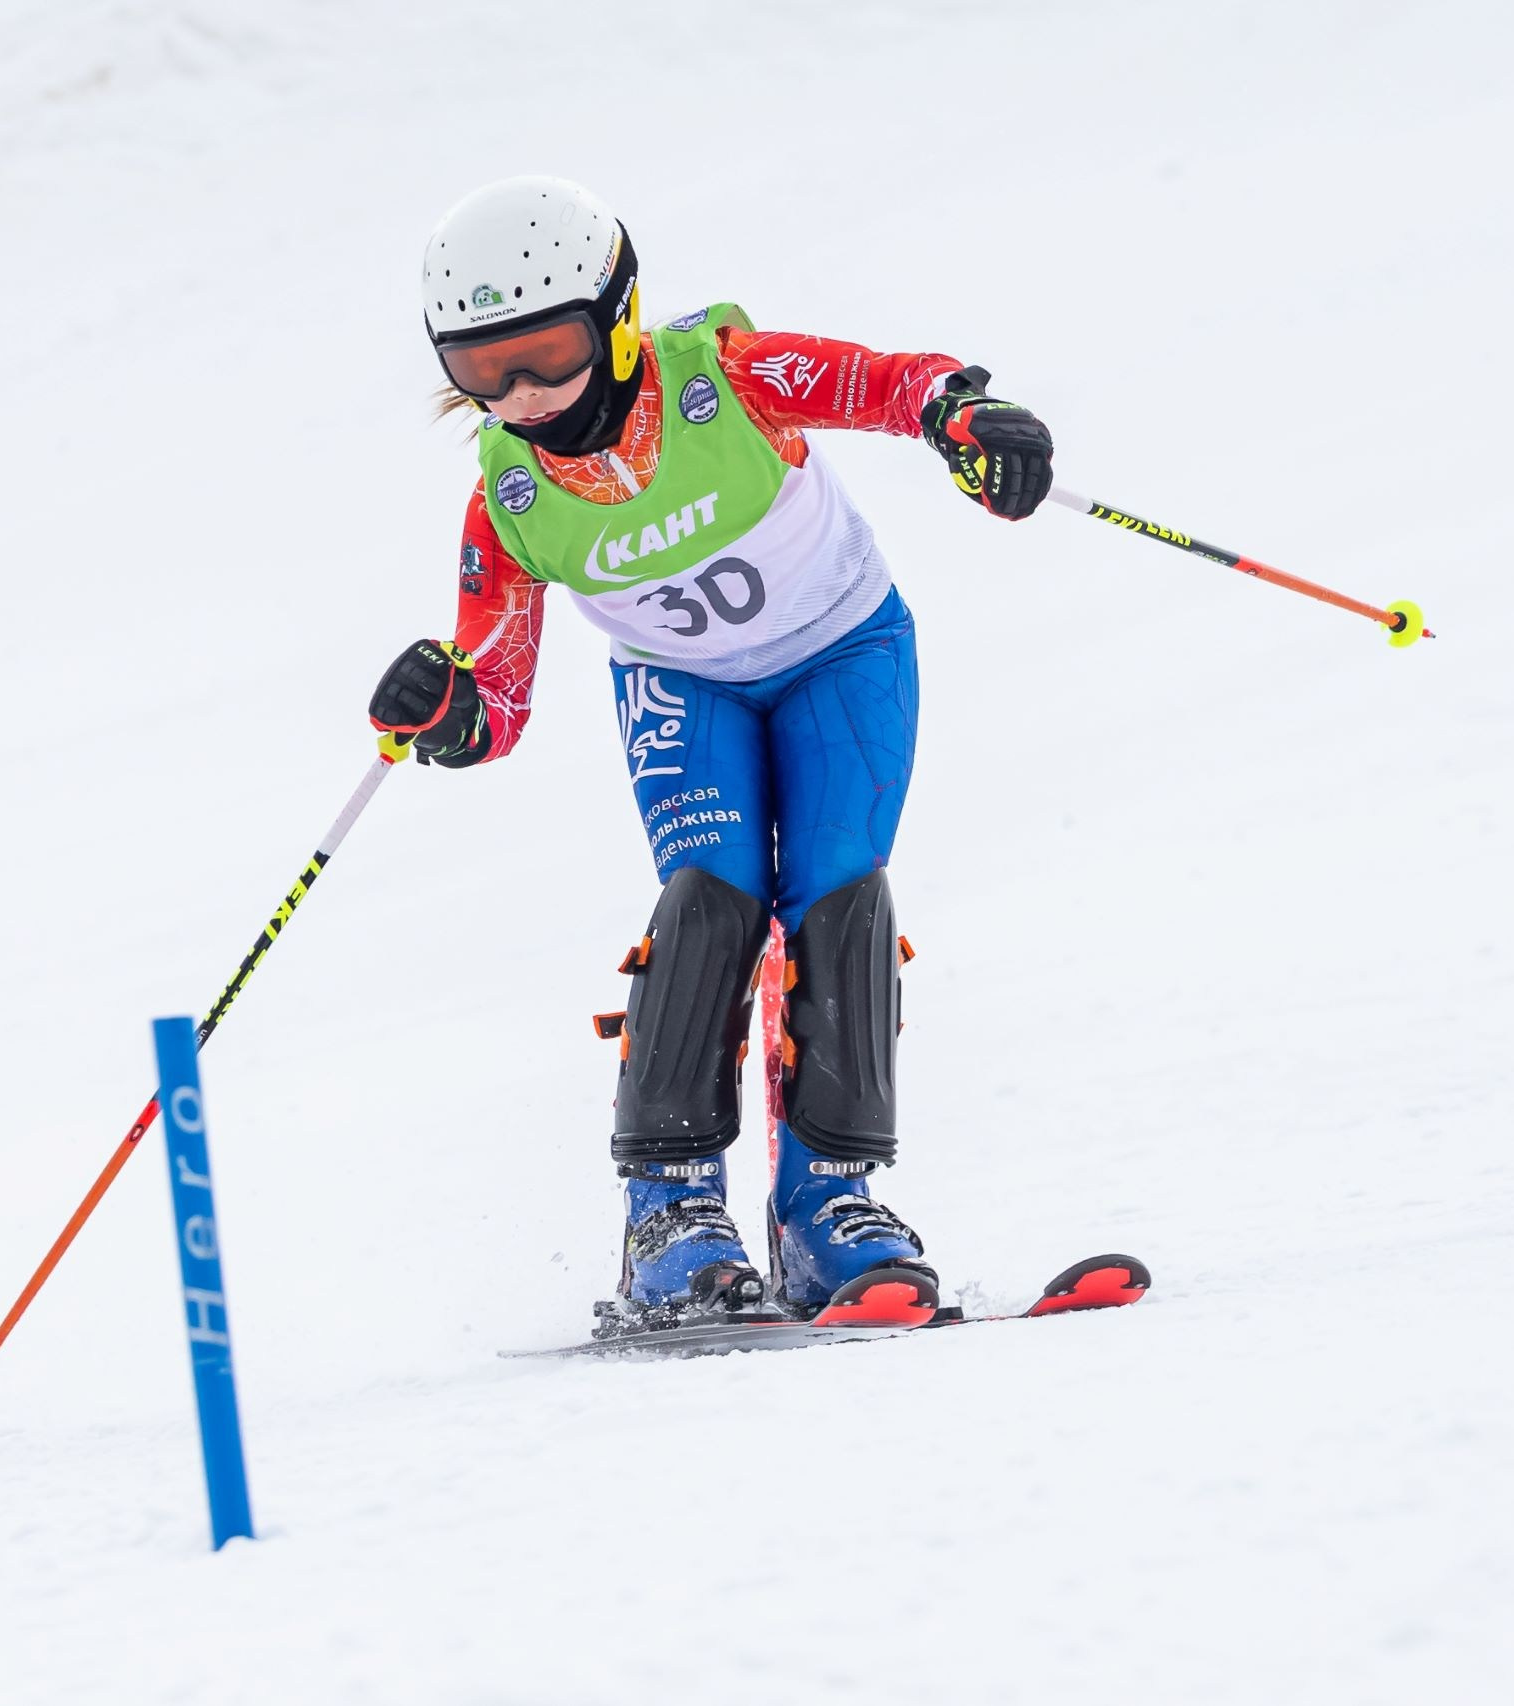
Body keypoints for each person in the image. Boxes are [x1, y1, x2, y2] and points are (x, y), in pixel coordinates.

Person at [368, 175, 1054, 1324]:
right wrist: (443, 709)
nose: (523, 394)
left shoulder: (723, 377)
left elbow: (891, 384)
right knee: (711, 894)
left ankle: (827, 1202)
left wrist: (962, 419)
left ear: (617, 318)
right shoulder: (510, 496)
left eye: (547, 353)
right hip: (683, 686)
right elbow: (495, 696)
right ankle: (668, 1213)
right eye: (483, 370)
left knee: (837, 888)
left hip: (842, 649)